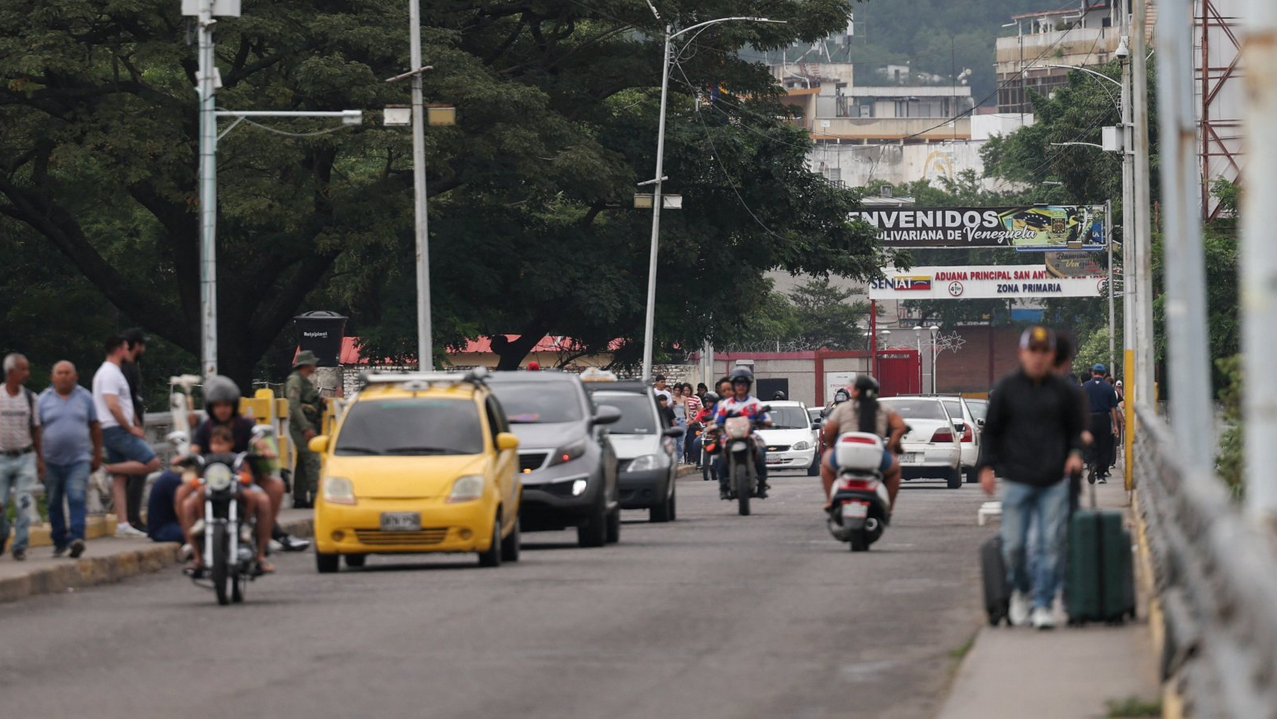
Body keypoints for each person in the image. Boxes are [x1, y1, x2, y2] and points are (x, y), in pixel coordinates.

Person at [979, 326, 1085, 630]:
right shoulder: (1006, 390)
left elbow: (1074, 428)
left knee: (1050, 544)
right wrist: (986, 468)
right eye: (1032, 351)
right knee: (1014, 545)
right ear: (1022, 353)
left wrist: (1075, 451)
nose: (1038, 358)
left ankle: (1043, 604)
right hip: (1015, 478)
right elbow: (992, 431)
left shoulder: (1063, 391)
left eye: (1043, 352)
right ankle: (1022, 592)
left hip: (1053, 481)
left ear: (1051, 355)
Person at [91, 336, 158, 538]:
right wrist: (130, 428)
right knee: (151, 462)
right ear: (120, 349)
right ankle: (103, 469)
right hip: (115, 429)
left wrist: (135, 423)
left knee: (121, 478)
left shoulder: (110, 372)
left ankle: (123, 523)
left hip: (113, 428)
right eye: (126, 348)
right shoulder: (110, 373)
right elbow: (112, 404)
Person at [38, 361, 102, 559]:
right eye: (60, 373)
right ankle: (59, 540)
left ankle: (76, 538)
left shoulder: (85, 397)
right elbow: (36, 431)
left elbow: (95, 426)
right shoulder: (42, 399)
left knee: (76, 497)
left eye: (67, 373)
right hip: (51, 460)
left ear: (75, 376)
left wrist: (97, 453)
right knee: (53, 501)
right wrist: (38, 459)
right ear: (53, 377)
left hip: (79, 458)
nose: (64, 376)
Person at [820, 375, 906, 511]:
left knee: (825, 466)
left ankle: (831, 501)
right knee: (895, 471)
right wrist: (891, 446)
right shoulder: (883, 409)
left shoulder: (843, 408)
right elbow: (900, 427)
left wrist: (831, 446)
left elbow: (829, 430)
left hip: (845, 454)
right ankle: (888, 508)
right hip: (875, 455)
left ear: (856, 391)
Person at [0, 353, 43, 560]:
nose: (27, 373)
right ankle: (2, 534)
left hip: (25, 456)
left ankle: (20, 546)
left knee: (23, 503)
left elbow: (36, 430)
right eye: (23, 369)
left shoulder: (30, 398)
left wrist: (41, 460)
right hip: (1, 457)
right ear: (11, 372)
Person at [712, 367, 773, 499]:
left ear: (748, 385)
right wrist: (715, 426)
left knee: (761, 450)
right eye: (738, 384)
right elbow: (718, 420)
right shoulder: (726, 404)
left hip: (750, 436)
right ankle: (723, 485)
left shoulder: (755, 403)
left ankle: (762, 483)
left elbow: (766, 418)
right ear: (734, 386)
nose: (741, 387)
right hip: (729, 437)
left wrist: (766, 422)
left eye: (744, 384)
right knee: (720, 456)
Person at [119, 328, 148, 532]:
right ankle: (132, 518)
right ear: (136, 345)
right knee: (142, 467)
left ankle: (130, 518)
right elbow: (126, 402)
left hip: (129, 426)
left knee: (131, 472)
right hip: (127, 428)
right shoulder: (125, 368)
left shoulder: (129, 367)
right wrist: (135, 426)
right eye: (142, 344)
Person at [286, 351, 323, 508]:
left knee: (302, 462)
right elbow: (294, 405)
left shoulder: (304, 381)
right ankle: (316, 498)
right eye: (312, 362)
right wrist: (305, 428)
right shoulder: (295, 380)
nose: (315, 365)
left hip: (308, 424)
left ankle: (300, 498)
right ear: (306, 365)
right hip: (301, 426)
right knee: (313, 459)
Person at [1082, 364, 1121, 484]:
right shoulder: (1109, 388)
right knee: (1104, 445)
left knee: (1090, 443)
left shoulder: (1085, 386)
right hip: (1104, 418)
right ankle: (1100, 475)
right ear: (1104, 374)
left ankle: (1092, 462)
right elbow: (1113, 408)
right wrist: (1115, 425)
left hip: (1088, 418)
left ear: (1093, 373)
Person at [683, 384, 702, 466]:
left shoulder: (696, 399)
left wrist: (694, 420)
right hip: (682, 422)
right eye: (684, 390)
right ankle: (686, 458)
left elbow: (700, 410)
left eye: (688, 390)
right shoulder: (680, 399)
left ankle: (692, 458)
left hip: (693, 423)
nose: (686, 392)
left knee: (692, 441)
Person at [670, 384, 688, 461]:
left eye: (678, 390)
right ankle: (674, 457)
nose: (677, 392)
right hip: (674, 419)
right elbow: (668, 409)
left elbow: (687, 408)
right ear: (673, 390)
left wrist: (688, 418)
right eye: (675, 390)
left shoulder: (684, 398)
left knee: (681, 440)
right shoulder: (671, 398)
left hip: (682, 419)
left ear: (681, 391)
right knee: (674, 440)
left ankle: (680, 457)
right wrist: (672, 404)